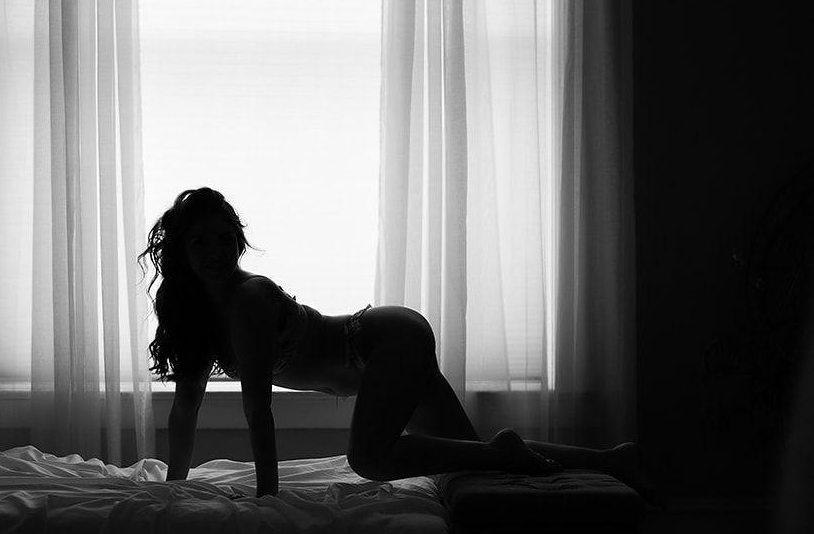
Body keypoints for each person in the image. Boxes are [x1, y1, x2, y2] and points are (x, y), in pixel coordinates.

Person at [139, 186, 640, 500]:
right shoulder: (198, 319)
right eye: (199, 242)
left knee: (369, 459)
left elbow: (258, 412)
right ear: (181, 252)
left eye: (225, 238)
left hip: (381, 340)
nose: (215, 252)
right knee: (472, 456)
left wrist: (267, 496)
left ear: (239, 240)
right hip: (384, 350)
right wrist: (174, 489)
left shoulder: (249, 299)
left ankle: (506, 452)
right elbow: (185, 411)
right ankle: (611, 461)